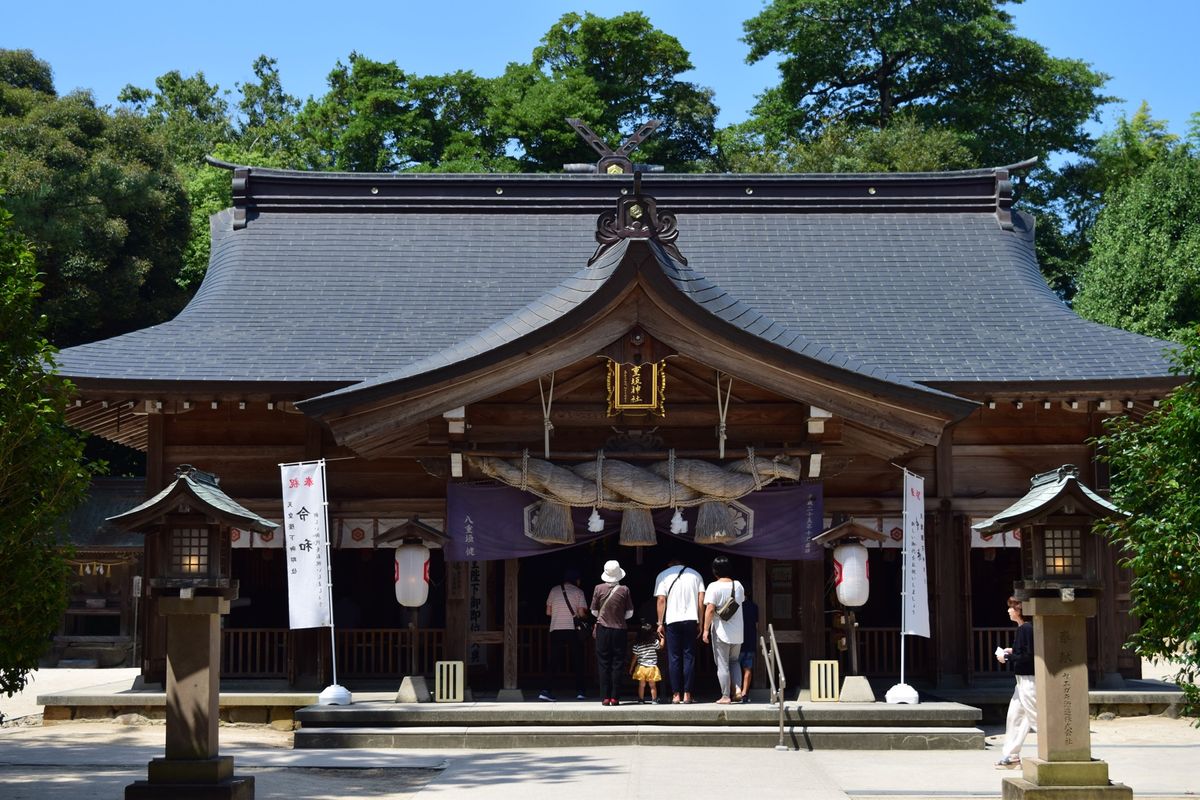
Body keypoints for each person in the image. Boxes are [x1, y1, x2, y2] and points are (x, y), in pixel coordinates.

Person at [653, 558, 706, 704]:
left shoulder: (663, 575)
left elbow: (661, 600)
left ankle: (676, 694)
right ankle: (687, 694)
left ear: (670, 564)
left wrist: (659, 622)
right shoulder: (696, 575)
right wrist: (700, 622)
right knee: (689, 657)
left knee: (674, 657)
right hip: (690, 619)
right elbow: (701, 599)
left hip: (672, 620)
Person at [996, 596, 1035, 768]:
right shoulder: (1023, 628)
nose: (1008, 610)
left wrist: (1007, 657)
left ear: (1018, 610)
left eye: (1011, 607)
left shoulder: (1026, 628)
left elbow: (1028, 656)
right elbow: (1025, 651)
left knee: (1036, 716)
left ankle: (1061, 750)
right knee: (1015, 717)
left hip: (1030, 679)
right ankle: (1011, 756)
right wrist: (1011, 651)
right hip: (1022, 680)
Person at [539, 567, 588, 702]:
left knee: (554, 660)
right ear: (576, 580)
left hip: (556, 628)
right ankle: (580, 691)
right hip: (573, 629)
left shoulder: (554, 590)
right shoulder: (579, 592)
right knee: (578, 660)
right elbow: (582, 613)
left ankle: (546, 690)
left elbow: (548, 612)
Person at [701, 555, 745, 704]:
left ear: (714, 571)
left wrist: (705, 630)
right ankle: (738, 689)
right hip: (738, 631)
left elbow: (710, 610)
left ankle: (726, 696)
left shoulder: (713, 586)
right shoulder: (738, 585)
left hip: (721, 631)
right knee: (734, 661)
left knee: (723, 664)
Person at [591, 559, 634, 706]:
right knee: (618, 663)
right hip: (619, 630)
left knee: (603, 663)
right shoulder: (624, 590)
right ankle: (615, 697)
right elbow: (630, 613)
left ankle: (605, 697)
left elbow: (593, 611)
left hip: (603, 629)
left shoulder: (598, 588)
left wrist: (604, 617)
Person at [629, 622, 664, 703]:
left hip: (641, 667)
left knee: (641, 685)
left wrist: (631, 668)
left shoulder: (637, 645)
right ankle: (654, 700)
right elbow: (661, 646)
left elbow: (634, 658)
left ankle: (641, 699)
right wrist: (662, 638)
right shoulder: (654, 642)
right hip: (651, 667)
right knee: (652, 685)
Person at [734, 597, 758, 703]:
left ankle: (736, 691)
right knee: (748, 668)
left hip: (737, 640)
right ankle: (744, 693)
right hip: (750, 640)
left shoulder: (735, 606)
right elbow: (756, 624)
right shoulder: (754, 607)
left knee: (735, 666)